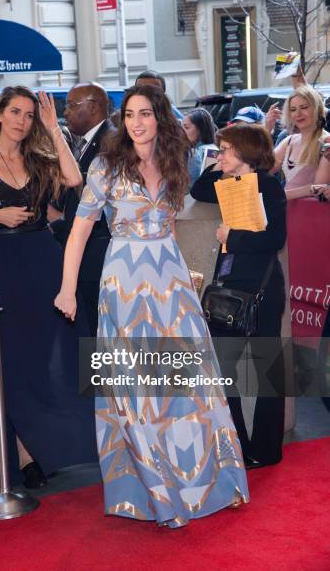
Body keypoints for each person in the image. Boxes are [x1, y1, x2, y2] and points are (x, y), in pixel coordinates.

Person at [55, 84, 249, 528]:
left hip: (171, 278)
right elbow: (80, 233)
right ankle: (157, 491)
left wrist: (186, 273)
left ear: (159, 117)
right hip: (125, 280)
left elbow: (171, 227)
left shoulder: (174, 161)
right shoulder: (106, 166)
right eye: (129, 115)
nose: (137, 122)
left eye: (145, 113)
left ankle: (208, 480)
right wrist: (67, 290)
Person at [0, 86, 97, 488]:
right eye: (15, 112)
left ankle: (68, 442)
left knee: (62, 353)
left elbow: (74, 178)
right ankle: (23, 453)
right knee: (13, 360)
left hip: (45, 260)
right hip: (3, 265)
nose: (21, 120)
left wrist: (54, 129)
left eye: (29, 115)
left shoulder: (38, 157)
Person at [191, 123, 287, 469]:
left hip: (262, 290)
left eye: (227, 150)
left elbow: (275, 238)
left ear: (246, 153)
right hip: (228, 290)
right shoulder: (226, 182)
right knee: (222, 372)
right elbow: (198, 188)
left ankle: (265, 449)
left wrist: (234, 235)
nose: (220, 155)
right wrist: (219, 166)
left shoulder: (270, 186)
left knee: (267, 374)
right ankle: (237, 445)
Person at [50, 82, 115, 336]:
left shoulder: (111, 142)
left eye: (71, 105)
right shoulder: (85, 142)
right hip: (85, 253)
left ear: (94, 106)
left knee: (99, 331)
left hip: (97, 253)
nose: (65, 111)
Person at [273, 85, 330, 199]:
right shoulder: (289, 141)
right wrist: (267, 128)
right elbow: (263, 170)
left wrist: (281, 196)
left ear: (316, 109)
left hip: (312, 214)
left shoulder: (327, 142)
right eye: (293, 110)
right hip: (286, 212)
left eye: (304, 107)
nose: (298, 114)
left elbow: (318, 188)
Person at [182, 108, 217, 188]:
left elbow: (208, 184)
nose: (181, 131)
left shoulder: (209, 151)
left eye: (186, 127)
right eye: (182, 127)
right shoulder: (211, 148)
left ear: (201, 129)